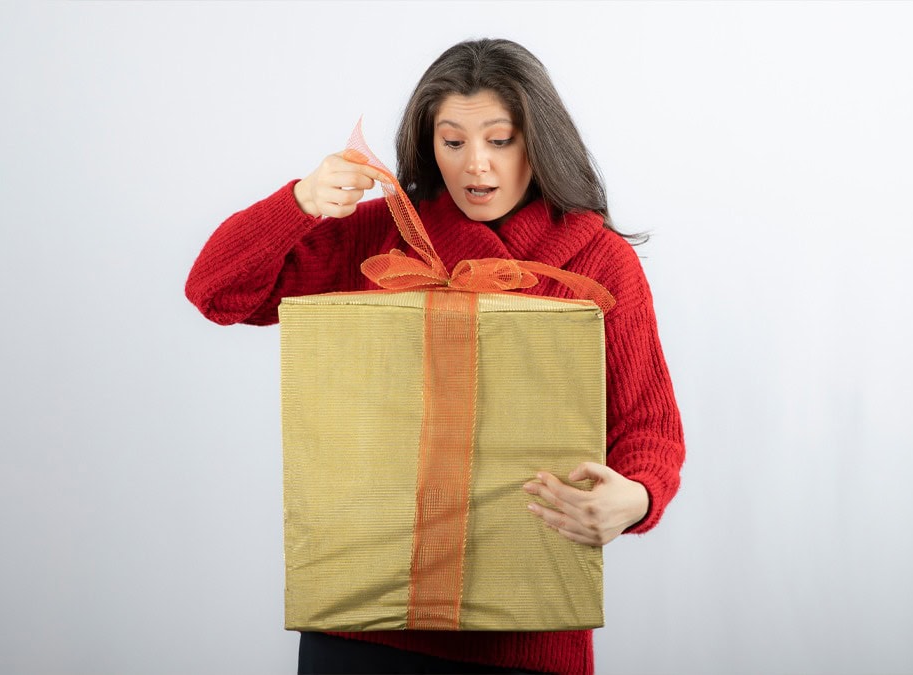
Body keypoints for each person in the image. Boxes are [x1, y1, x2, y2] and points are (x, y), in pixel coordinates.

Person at [185, 38, 685, 675]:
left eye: (500, 140)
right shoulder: (379, 234)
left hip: (525, 630)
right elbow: (216, 291)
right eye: (453, 142)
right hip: (361, 624)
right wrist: (300, 202)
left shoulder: (597, 260)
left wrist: (637, 498)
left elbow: (650, 428)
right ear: (428, 145)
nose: (477, 166)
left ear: (540, 140)